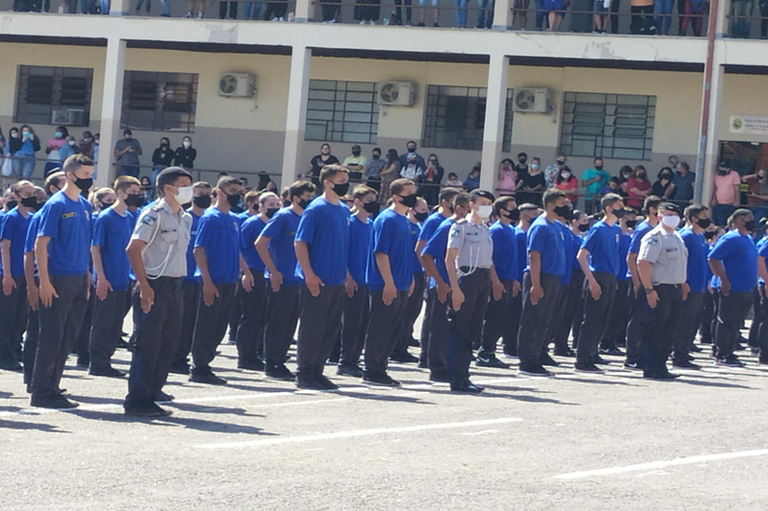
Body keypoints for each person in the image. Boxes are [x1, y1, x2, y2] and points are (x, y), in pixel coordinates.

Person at [123, 167, 193, 417]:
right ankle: (137, 399)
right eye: (183, 184)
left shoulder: (185, 217)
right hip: (153, 283)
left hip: (175, 284)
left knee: (168, 343)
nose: (188, 189)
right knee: (148, 343)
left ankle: (152, 394)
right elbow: (133, 249)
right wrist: (143, 284)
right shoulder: (153, 214)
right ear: (167, 188)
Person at [30, 154, 95, 409]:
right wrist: (44, 281)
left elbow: (86, 242)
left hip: (79, 277)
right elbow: (41, 243)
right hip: (58, 277)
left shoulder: (85, 205)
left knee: (68, 336)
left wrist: (88, 272)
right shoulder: (56, 204)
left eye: (91, 174)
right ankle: (41, 390)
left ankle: (53, 385)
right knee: (52, 336)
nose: (89, 179)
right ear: (70, 175)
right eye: (85, 175)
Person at [189, 176, 251, 385]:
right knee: (207, 324)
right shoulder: (210, 217)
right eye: (232, 190)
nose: (237, 194)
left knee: (219, 326)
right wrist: (206, 280)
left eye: (239, 190)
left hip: (228, 279)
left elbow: (238, 250)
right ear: (219, 193)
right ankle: (199, 366)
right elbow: (199, 250)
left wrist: (245, 272)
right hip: (212, 279)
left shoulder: (234, 219)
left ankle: (207, 362)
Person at [294, 165, 351, 390]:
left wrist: (346, 274)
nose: (346, 182)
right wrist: (309, 273)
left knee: (330, 328)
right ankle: (305, 372)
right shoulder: (316, 208)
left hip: (336, 279)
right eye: (342, 179)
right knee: (313, 327)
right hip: (317, 279)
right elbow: (300, 242)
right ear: (328, 182)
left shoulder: (344, 210)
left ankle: (318, 370)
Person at [256, 181, 315, 381]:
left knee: (290, 324)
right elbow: (261, 243)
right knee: (277, 323)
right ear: (296, 198)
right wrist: (273, 270)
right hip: (281, 278)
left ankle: (280, 359)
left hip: (297, 278)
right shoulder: (283, 217)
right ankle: (272, 362)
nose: (310, 201)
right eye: (307, 197)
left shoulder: (306, 217)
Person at [362, 178, 417, 386]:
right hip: (385, 284)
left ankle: (381, 366)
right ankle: (372, 369)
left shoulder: (405, 220)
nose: (413, 195)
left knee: (393, 328)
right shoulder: (387, 219)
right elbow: (381, 253)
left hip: (402, 282)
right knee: (381, 327)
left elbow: (406, 254)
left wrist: (409, 278)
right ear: (396, 196)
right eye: (408, 192)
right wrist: (389, 282)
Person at [443, 189, 499, 393]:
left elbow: (488, 261)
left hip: (482, 278)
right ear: (472, 204)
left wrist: (491, 284)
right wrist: (455, 288)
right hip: (466, 277)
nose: (487, 207)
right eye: (483, 202)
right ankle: (457, 378)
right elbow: (450, 259)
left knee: (474, 330)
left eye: (489, 203)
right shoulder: (461, 227)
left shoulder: (485, 228)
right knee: (460, 329)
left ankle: (465, 375)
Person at [88, 176, 142, 378]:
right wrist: (100, 277)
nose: (136, 196)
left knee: (116, 323)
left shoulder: (129, 218)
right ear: (120, 192)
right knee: (103, 321)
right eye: (132, 192)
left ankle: (107, 358)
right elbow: (96, 248)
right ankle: (98, 362)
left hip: (123, 279)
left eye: (138, 192)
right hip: (107, 278)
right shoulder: (106, 217)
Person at [420, 192, 471, 382]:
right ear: (459, 209)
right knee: (439, 327)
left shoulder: (469, 228)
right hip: (444, 285)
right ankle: (437, 368)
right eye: (469, 209)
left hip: (458, 285)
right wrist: (440, 281)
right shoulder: (448, 226)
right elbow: (426, 255)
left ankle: (449, 365)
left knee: (453, 329)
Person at [517, 189, 567, 377]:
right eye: (562, 203)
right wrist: (535, 285)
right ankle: (527, 361)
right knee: (533, 319)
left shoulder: (556, 226)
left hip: (553, 278)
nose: (566, 207)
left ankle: (537, 355)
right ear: (552, 205)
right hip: (540, 276)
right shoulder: (541, 226)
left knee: (545, 319)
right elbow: (534, 256)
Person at [637, 203, 688, 379]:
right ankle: (651, 367)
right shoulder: (654, 237)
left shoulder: (676, 236)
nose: (673, 216)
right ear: (659, 216)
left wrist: (683, 283)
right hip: (659, 288)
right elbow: (643, 263)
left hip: (674, 288)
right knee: (656, 329)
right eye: (669, 214)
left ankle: (661, 365)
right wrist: (649, 289)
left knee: (669, 329)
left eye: (675, 213)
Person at [575, 193, 624, 373]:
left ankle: (593, 352)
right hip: (598, 275)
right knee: (592, 319)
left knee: (604, 318)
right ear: (609, 208)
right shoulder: (598, 229)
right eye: (618, 206)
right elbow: (582, 256)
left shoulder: (616, 230)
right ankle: (582, 358)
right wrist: (592, 281)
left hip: (611, 276)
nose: (622, 209)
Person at [415, 187, 461, 368]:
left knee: (439, 319)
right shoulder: (435, 221)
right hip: (437, 276)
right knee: (435, 319)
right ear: (445, 202)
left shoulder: (456, 223)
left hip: (449, 277)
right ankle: (427, 357)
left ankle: (432, 356)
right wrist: (429, 273)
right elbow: (422, 249)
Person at [170, 181, 212, 375]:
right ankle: (176, 356)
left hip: (202, 277)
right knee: (183, 320)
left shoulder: (209, 219)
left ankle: (187, 354)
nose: (204, 197)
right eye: (200, 193)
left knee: (197, 320)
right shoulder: (186, 218)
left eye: (207, 194)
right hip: (184, 275)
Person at [708, 209, 758, 367]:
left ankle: (729, 350)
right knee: (726, 321)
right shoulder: (731, 238)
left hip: (745, 288)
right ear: (739, 222)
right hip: (731, 287)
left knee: (736, 322)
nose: (752, 222)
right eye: (748, 219)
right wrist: (723, 279)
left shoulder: (748, 238)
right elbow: (713, 258)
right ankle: (722, 353)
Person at [236, 191, 279, 372]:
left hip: (269, 273)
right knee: (251, 315)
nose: (274, 208)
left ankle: (256, 351)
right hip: (254, 271)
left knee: (263, 315)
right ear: (260, 206)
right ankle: (245, 355)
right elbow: (240, 248)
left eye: (277, 205)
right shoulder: (251, 224)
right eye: (270, 205)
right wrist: (245, 273)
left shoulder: (276, 223)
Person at [22, 180, 59, 391]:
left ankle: (47, 380)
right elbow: (29, 254)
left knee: (52, 333)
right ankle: (32, 378)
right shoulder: (40, 217)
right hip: (41, 279)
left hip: (57, 279)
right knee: (36, 331)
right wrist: (32, 286)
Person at [338, 185, 378, 377]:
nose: (372, 204)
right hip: (353, 280)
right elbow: (342, 251)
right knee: (351, 323)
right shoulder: (350, 223)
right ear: (358, 202)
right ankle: (345, 360)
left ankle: (354, 358)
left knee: (363, 322)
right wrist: (348, 277)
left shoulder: (371, 224)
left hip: (367, 280)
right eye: (368, 200)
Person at [478, 196, 520, 369]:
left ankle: (490, 350)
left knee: (502, 317)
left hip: (509, 279)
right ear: (502, 210)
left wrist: (515, 280)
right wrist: (495, 282)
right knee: (494, 317)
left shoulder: (510, 229)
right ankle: (485, 351)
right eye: (512, 207)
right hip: (499, 279)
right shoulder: (497, 230)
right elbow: (491, 258)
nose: (515, 210)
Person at [0, 180, 36, 371]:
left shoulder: (31, 218)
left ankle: (15, 348)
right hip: (11, 272)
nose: (31, 195)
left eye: (32, 192)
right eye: (26, 192)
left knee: (21, 314)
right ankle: (4, 354)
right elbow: (4, 246)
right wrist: (6, 274)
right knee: (7, 315)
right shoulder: (12, 218)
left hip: (25, 273)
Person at [672, 204, 711, 370]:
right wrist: (683, 282)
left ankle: (685, 350)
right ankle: (678, 354)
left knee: (692, 322)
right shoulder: (686, 236)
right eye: (703, 216)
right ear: (694, 218)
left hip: (698, 286)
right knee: (683, 322)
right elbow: (680, 262)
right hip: (688, 285)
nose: (707, 220)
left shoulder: (699, 236)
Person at [624, 195, 662, 369]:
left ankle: (644, 354)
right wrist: (637, 282)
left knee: (650, 320)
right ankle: (632, 356)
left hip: (653, 281)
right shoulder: (643, 229)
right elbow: (632, 258)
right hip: (641, 281)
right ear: (653, 210)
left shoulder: (659, 230)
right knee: (638, 319)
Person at [389, 196, 428, 364]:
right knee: (404, 312)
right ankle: (398, 347)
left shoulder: (418, 227)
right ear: (412, 210)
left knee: (414, 310)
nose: (425, 213)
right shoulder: (407, 225)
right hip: (409, 273)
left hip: (418, 273)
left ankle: (406, 338)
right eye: (422, 209)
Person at [551, 209, 588, 357]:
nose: (586, 224)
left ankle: (564, 342)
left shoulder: (579, 238)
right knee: (564, 312)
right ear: (575, 221)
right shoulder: (569, 237)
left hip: (578, 276)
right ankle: (559, 343)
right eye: (583, 221)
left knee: (572, 312)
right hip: (570, 275)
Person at [599, 207, 636, 355]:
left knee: (620, 312)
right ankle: (606, 341)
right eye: (628, 218)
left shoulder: (628, 236)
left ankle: (613, 339)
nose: (630, 221)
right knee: (612, 312)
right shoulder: (616, 233)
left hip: (623, 277)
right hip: (616, 276)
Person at [711, 162, 741, 227]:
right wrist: (713, 199)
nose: (722, 169)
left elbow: (737, 189)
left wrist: (737, 201)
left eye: (724, 168)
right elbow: (715, 188)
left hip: (731, 204)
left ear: (728, 169)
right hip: (719, 204)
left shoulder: (734, 174)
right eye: (721, 168)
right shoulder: (716, 175)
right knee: (719, 223)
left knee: (730, 223)